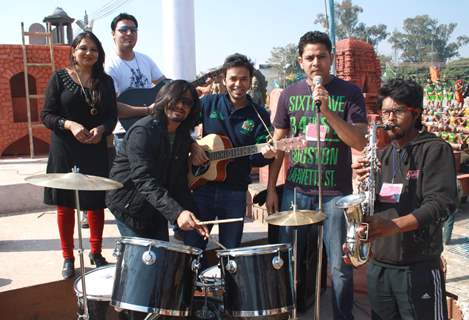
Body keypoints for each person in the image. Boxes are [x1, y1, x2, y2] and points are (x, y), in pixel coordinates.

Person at [266, 31, 368, 319]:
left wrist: (327, 111)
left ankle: (341, 315)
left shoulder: (350, 93)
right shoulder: (288, 95)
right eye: (309, 57)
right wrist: (272, 188)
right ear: (300, 61)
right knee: (290, 260)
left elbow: (358, 142)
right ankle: (294, 311)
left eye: (322, 56)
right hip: (296, 193)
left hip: (336, 196)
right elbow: (279, 147)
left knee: (339, 266)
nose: (316, 62)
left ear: (332, 59)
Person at [352, 78, 457, 320]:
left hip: (418, 268)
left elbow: (440, 205)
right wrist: (361, 180)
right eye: (385, 112)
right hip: (379, 267)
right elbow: (374, 202)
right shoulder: (382, 155)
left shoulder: (434, 149)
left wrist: (392, 227)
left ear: (415, 112)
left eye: (397, 111)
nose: (389, 119)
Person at [41, 31, 117, 279]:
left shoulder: (105, 82)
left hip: (94, 148)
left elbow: (111, 116)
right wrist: (69, 124)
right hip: (65, 148)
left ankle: (96, 252)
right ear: (73, 50)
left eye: (94, 49)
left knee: (95, 203)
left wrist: (102, 129)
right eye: (83, 48)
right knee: (66, 204)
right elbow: (47, 115)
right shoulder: (59, 78)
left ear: (99, 54)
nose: (88, 53)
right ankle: (68, 256)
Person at [183, 53, 275, 253]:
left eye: (243, 79)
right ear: (224, 80)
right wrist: (192, 146)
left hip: (234, 192)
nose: (238, 84)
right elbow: (181, 125)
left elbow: (258, 156)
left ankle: (230, 285)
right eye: (233, 78)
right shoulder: (208, 103)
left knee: (231, 251)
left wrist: (266, 155)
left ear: (250, 81)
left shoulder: (259, 114)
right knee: (193, 249)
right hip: (201, 188)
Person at [104, 13, 166, 154]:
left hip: (151, 129)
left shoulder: (145, 59)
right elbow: (111, 106)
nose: (129, 33)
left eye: (133, 30)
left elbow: (165, 85)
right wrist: (148, 110)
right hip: (125, 133)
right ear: (113, 34)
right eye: (123, 29)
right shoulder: (109, 66)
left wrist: (191, 88)